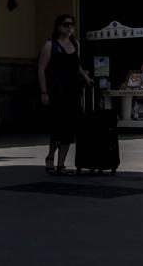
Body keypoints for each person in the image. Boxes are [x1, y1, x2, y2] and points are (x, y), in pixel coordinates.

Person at [37, 14, 92, 175]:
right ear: (58, 27)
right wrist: (44, 91)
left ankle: (61, 164)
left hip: (72, 92)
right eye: (65, 24)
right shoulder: (50, 45)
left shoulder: (75, 44)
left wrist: (86, 78)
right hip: (56, 92)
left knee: (70, 129)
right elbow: (41, 68)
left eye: (71, 25)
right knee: (57, 127)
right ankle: (50, 157)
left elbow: (77, 65)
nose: (69, 28)